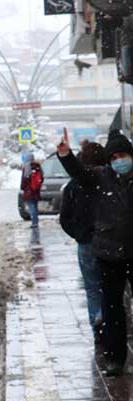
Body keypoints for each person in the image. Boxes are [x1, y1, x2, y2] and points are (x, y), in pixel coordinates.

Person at [58, 130, 133, 375]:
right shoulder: (102, 177)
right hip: (109, 253)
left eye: (123, 155)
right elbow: (79, 173)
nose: (119, 161)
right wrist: (66, 155)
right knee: (112, 308)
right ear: (109, 161)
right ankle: (114, 358)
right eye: (114, 157)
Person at [59, 141, 108, 345]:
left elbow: (65, 218)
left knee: (92, 287)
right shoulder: (108, 182)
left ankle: (98, 325)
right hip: (109, 242)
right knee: (111, 286)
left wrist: (79, 234)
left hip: (86, 243)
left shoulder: (73, 186)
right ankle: (108, 320)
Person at [20, 152, 44, 228]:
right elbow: (42, 177)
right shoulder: (37, 166)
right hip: (36, 190)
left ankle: (34, 222)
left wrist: (23, 187)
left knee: (31, 207)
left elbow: (24, 179)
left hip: (29, 191)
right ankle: (35, 221)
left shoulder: (27, 167)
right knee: (35, 206)